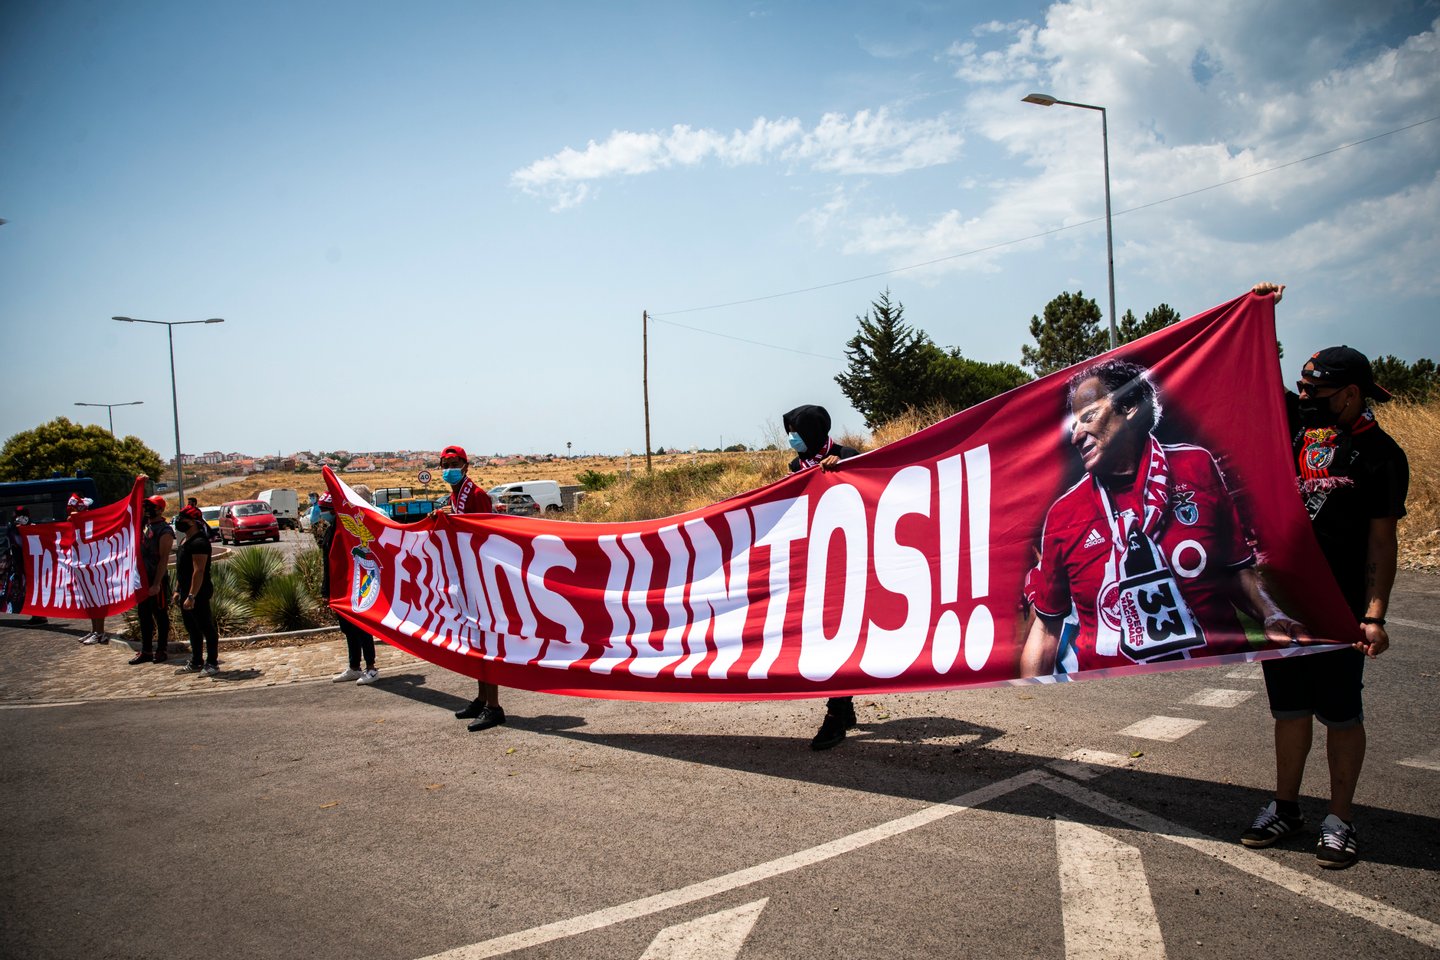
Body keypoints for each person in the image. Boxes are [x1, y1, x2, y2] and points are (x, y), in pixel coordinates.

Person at [1239, 283, 1409, 870]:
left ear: (1353, 394)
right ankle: (1285, 806)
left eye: (1319, 392)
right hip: (1284, 603)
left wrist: (1374, 614)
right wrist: (1261, 312)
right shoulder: (1295, 424)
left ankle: (1340, 818)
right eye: (1304, 389)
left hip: (1339, 606)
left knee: (1340, 712)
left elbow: (1382, 542)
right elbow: (1255, 372)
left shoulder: (1382, 453)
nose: (1305, 398)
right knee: (1288, 711)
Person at [1020, 358, 1306, 678]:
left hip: (1211, 676)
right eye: (1074, 424)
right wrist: (1028, 698)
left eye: (1088, 417)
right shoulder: (1064, 513)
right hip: (1106, 697)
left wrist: (1270, 613)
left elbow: (1238, 572)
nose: (1077, 435)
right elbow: (1046, 629)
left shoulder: (1195, 466)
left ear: (1129, 407)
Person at [783, 405, 864, 751]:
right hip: (815, 565)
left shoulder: (846, 456)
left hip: (851, 564)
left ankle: (836, 713)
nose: (792, 438)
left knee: (839, 636)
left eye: (796, 430)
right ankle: (844, 707)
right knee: (823, 636)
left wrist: (843, 471)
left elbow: (872, 490)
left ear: (813, 430)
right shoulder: (795, 467)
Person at [437, 444, 505, 732]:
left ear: (465, 465)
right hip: (465, 576)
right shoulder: (456, 495)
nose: (449, 467)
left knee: (485, 640)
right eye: (445, 463)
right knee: (474, 640)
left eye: (454, 462)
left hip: (479, 577)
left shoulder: (475, 495)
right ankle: (480, 698)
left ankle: (494, 706)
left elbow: (483, 532)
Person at [315, 492, 381, 686]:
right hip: (338, 586)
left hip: (353, 586)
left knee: (361, 628)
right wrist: (326, 589)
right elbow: (328, 562)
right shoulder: (330, 530)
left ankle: (371, 668)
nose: (322, 514)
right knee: (348, 629)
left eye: (325, 510)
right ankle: (354, 667)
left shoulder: (348, 531)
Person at [172, 504, 219, 676]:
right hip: (185, 591)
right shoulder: (185, 540)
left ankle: (212, 663)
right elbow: (181, 570)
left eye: (182, 518)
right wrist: (178, 590)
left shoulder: (199, 542)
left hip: (198, 592)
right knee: (192, 628)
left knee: (206, 627)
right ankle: (196, 661)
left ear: (192, 521)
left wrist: (192, 595)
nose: (179, 521)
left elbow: (198, 571)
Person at [129, 495, 175, 665]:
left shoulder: (165, 531)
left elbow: (164, 559)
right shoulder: (143, 526)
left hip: (157, 581)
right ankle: (146, 650)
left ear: (161, 510)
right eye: (147, 506)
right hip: (142, 580)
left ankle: (161, 649)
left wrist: (156, 584)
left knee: (160, 615)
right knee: (144, 616)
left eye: (152, 507)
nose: (148, 509)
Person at [69, 494, 111, 646]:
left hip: (94, 568)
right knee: (91, 602)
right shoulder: (77, 525)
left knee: (98, 601)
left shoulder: (90, 525)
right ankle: (95, 630)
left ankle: (100, 632)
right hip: (83, 568)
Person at [4, 507, 46, 624]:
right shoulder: (12, 529)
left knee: (34, 589)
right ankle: (36, 614)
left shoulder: (33, 527)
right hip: (21, 564)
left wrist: (25, 530)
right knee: (26, 590)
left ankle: (40, 615)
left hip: (33, 564)